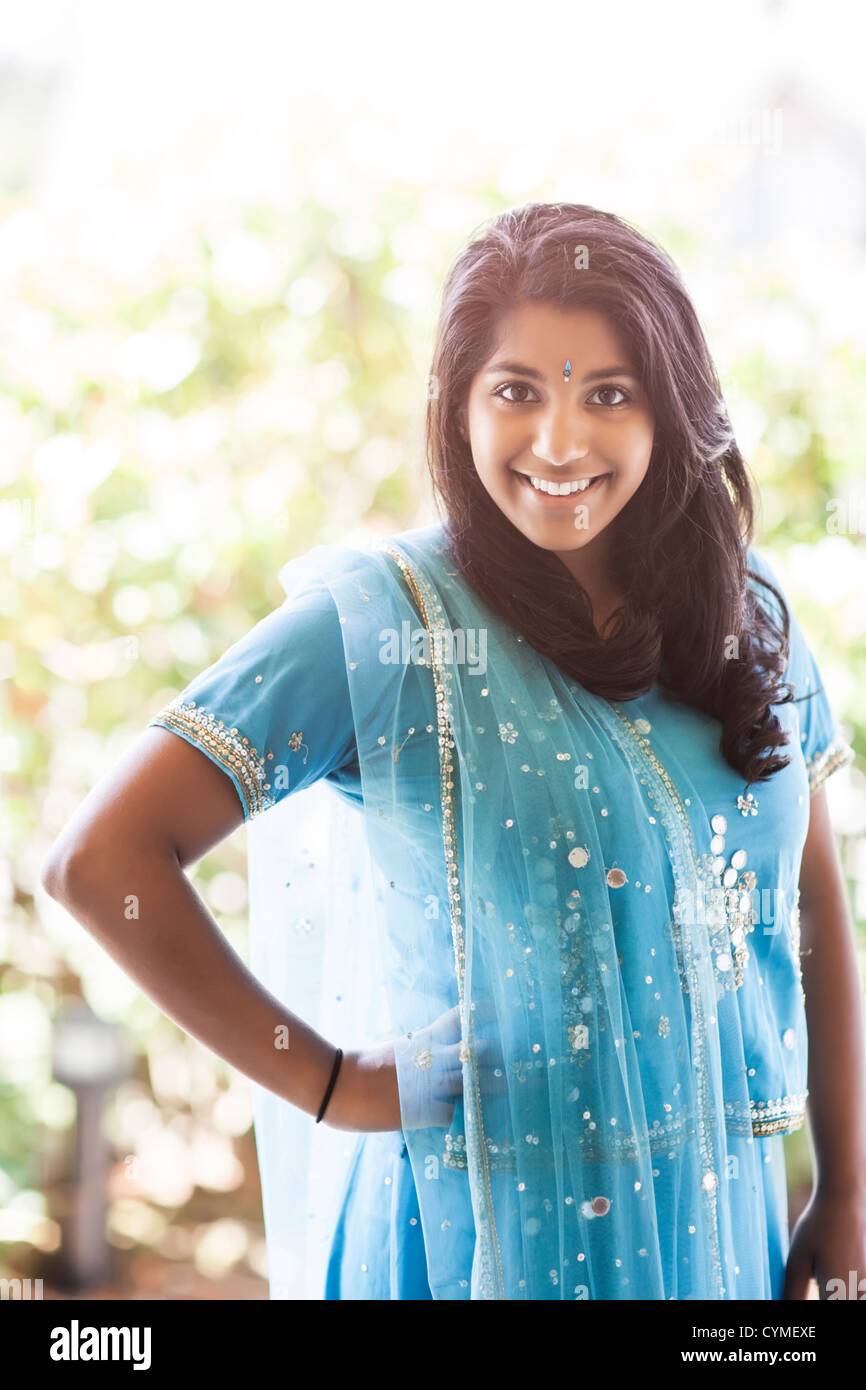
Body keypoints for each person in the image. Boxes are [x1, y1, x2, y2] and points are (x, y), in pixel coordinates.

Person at [41, 202, 866, 1301]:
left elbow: (813, 907)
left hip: (721, 1231)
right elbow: (101, 862)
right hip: (481, 1233)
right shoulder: (392, 626)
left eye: (606, 394)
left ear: (671, 408)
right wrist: (335, 1084)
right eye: (515, 391)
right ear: (458, 408)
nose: (558, 442)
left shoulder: (744, 612)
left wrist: (847, 1191)